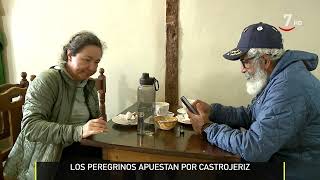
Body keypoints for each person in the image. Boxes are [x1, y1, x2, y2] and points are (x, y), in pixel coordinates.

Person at [187, 22, 320, 180]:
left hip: (293, 171)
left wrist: (207, 128)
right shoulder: (280, 76)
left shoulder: (288, 88)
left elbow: (254, 149)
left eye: (245, 61)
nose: (242, 69)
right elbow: (252, 114)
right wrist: (214, 111)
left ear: (265, 61)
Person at [4, 31, 107, 179]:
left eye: (96, 62)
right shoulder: (47, 80)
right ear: (70, 55)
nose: (92, 68)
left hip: (79, 148)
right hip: (47, 157)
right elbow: (30, 127)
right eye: (87, 60)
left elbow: (89, 126)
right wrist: (78, 131)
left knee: (127, 163)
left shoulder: (87, 85)